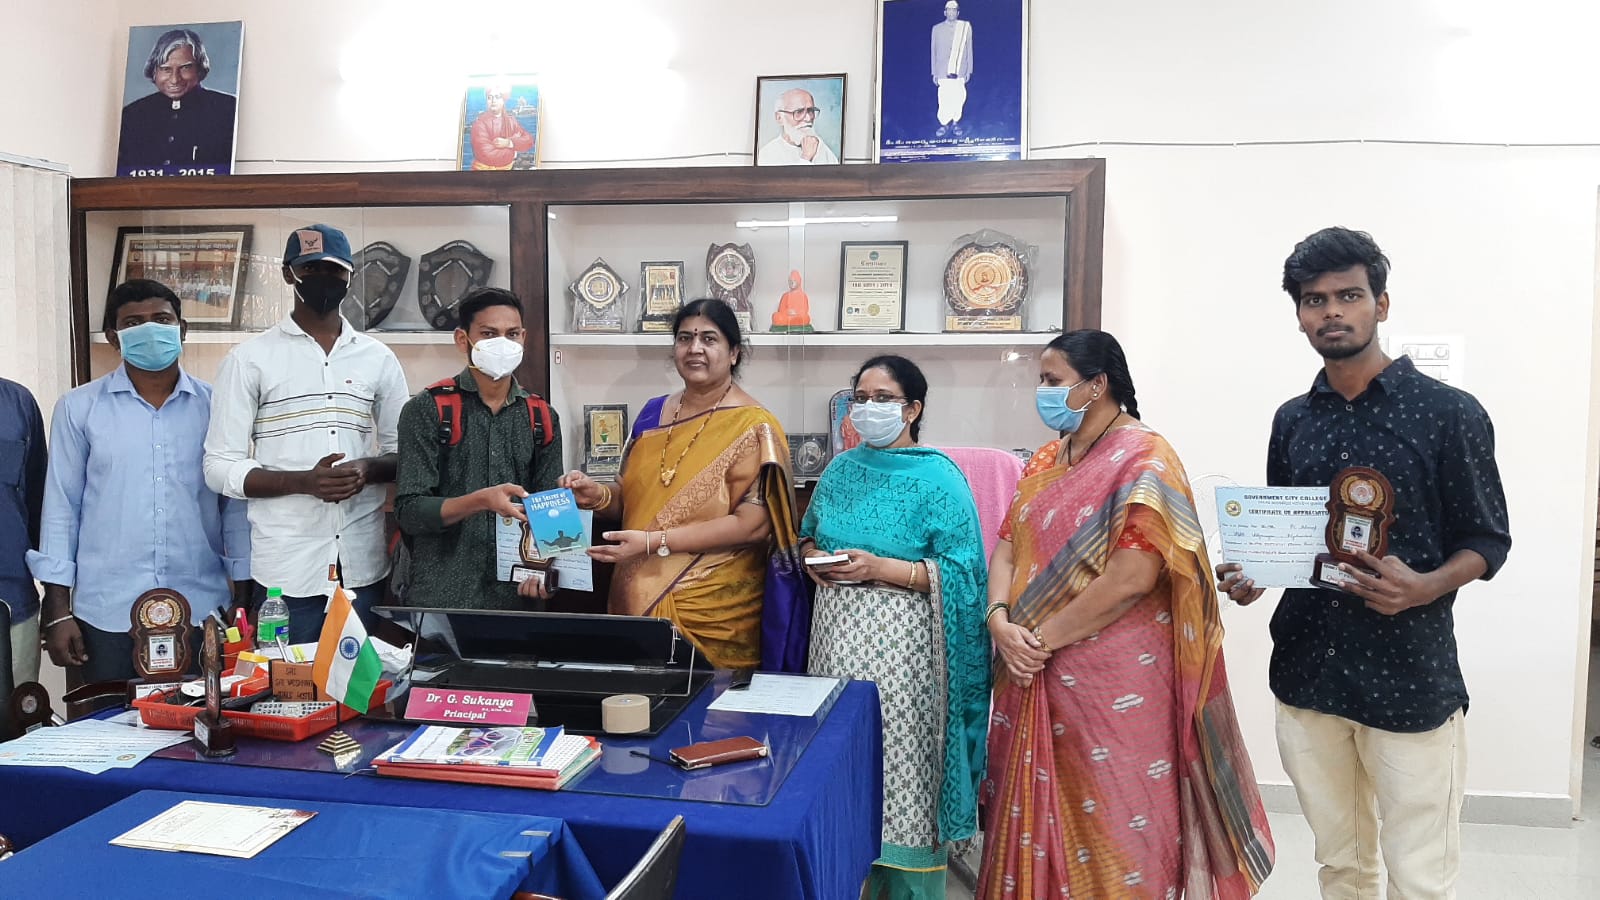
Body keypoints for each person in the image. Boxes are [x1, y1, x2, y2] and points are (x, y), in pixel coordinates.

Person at [1217, 227, 1511, 899]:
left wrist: (1425, 586)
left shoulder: (1449, 414)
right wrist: (1257, 573)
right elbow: (1292, 534)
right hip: (1309, 673)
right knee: (1341, 864)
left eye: (1348, 295)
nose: (1331, 311)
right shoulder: (1293, 420)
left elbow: (1488, 539)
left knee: (1420, 874)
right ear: (1299, 315)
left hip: (1409, 675)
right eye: (1314, 300)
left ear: (1381, 303)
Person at [979, 330, 1274, 899]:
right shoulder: (1046, 458)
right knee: (1040, 813)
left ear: (1097, 385)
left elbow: (1133, 577)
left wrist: (1036, 640)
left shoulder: (1146, 458)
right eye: (1041, 380)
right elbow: (1009, 544)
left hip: (1113, 682)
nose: (1042, 392)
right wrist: (998, 620)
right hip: (1029, 666)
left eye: (1053, 380)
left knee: (1116, 817)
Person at [801, 355, 989, 900]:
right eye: (861, 397)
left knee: (902, 775)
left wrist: (882, 569)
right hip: (834, 651)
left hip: (907, 665)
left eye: (883, 398)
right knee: (842, 770)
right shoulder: (840, 470)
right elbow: (808, 534)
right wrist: (815, 559)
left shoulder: (940, 479)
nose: (868, 408)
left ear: (912, 409)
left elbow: (964, 575)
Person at [560, 298, 804, 670]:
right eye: (685, 338)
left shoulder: (755, 426)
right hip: (633, 599)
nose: (695, 348)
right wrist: (598, 496)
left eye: (709, 339)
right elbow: (629, 499)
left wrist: (652, 542)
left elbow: (753, 526)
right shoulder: (652, 414)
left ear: (734, 353)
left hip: (713, 609)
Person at [28, 280, 249, 684]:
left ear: (182, 329)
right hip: (105, 614)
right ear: (114, 337)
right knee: (105, 723)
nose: (150, 330)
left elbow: (233, 507)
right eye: (133, 323)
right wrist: (57, 609)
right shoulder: (79, 409)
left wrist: (244, 597)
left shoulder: (216, 407)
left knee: (202, 720)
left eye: (161, 319)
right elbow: (61, 509)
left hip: (202, 610)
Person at [204, 225, 409, 644]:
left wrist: (366, 469)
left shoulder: (378, 358)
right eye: (311, 269)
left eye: (334, 270)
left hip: (361, 565)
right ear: (288, 274)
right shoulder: (249, 359)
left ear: (350, 276)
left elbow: (405, 453)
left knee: (359, 682)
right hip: (286, 572)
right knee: (288, 682)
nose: (324, 279)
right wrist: (303, 482)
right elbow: (218, 466)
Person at [395, 287, 563, 609]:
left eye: (512, 334)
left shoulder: (541, 415)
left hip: (517, 600)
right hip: (442, 598)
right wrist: (480, 501)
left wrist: (551, 575)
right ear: (463, 339)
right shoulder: (428, 408)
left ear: (524, 338)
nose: (503, 343)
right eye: (489, 334)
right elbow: (409, 512)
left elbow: (550, 508)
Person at [116, 28, 238, 176]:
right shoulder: (132, 115)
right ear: (154, 72)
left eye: (185, 68)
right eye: (166, 69)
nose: (175, 79)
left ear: (199, 68)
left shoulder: (228, 109)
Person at [0, 377, 46, 688]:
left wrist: (57, 599)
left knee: (19, 712)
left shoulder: (17, 403)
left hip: (12, 607)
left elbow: (38, 501)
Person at [756, 88, 840, 166]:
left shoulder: (821, 147)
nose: (808, 118)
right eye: (799, 112)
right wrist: (806, 158)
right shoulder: (767, 154)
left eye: (810, 111)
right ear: (779, 118)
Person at [930, 0, 973, 138]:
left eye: (954, 10)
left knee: (959, 96)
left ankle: (955, 123)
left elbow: (969, 49)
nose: (951, 12)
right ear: (945, 12)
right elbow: (933, 51)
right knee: (944, 98)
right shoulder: (936, 29)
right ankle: (944, 124)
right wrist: (934, 72)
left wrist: (969, 70)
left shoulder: (965, 27)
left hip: (960, 69)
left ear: (958, 12)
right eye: (949, 9)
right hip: (942, 71)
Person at [469, 84, 535, 170]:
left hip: (509, 170)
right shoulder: (479, 124)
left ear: (504, 100)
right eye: (489, 97)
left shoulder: (511, 121)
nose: (493, 101)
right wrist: (514, 152)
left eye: (497, 97)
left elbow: (529, 140)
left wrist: (508, 142)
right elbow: (487, 155)